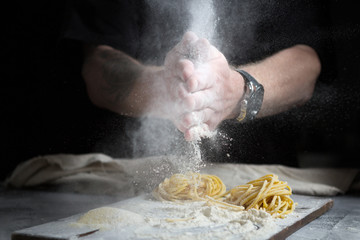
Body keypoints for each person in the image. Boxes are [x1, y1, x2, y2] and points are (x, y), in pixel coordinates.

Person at [60, 0, 323, 164]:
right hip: (132, 180)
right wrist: (163, 89)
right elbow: (99, 66)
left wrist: (235, 90)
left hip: (264, 178)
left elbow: (307, 65)